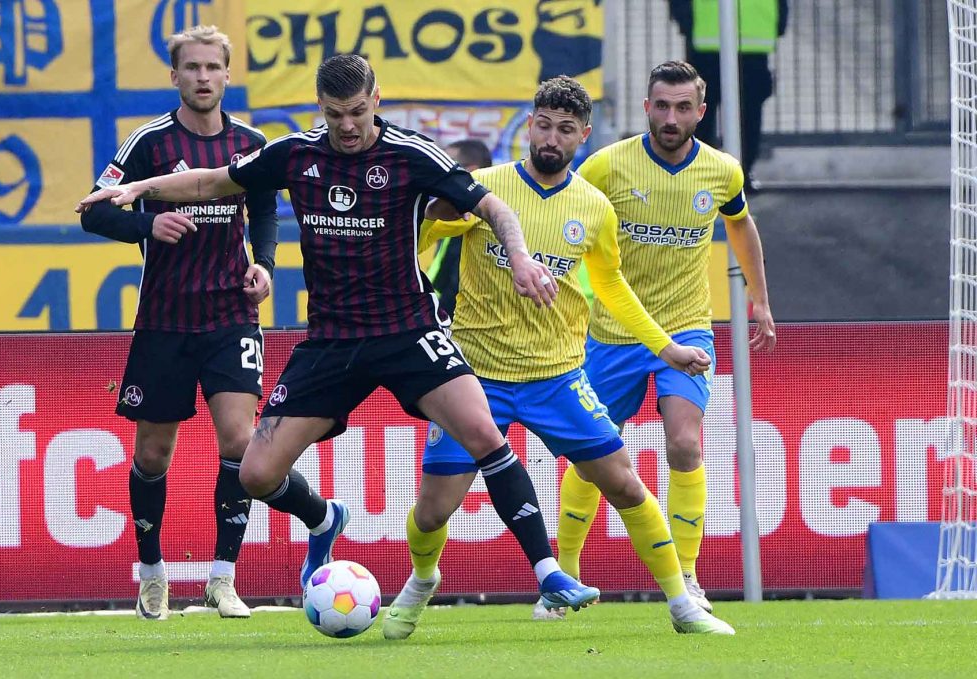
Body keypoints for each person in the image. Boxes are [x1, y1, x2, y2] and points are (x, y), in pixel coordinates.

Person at [78, 53, 600, 620]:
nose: (347, 126)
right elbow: (211, 180)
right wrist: (140, 190)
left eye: (356, 112)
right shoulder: (297, 153)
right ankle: (325, 520)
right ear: (320, 109)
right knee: (254, 474)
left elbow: (492, 205)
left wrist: (521, 258)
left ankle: (549, 573)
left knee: (483, 432)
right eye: (334, 114)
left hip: (408, 331)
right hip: (331, 343)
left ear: (375, 100)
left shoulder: (410, 154)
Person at [384, 75, 735, 638]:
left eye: (566, 129)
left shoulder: (594, 207)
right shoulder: (483, 188)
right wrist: (416, 290)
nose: (552, 137)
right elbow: (417, 242)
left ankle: (682, 602)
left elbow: (613, 286)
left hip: (557, 376)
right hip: (476, 378)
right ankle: (422, 579)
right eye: (544, 124)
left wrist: (664, 346)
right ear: (530, 125)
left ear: (583, 136)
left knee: (624, 483)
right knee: (432, 511)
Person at [544, 60, 776, 619]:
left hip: (688, 325)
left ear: (701, 111)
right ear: (647, 108)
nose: (671, 118)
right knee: (590, 459)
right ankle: (565, 576)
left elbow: (740, 223)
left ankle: (688, 578)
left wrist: (760, 299)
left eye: (682, 107)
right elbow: (557, 206)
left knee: (684, 444)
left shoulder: (722, 172)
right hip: (613, 333)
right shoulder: (605, 167)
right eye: (661, 106)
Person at [79, 26, 279, 620]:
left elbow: (263, 206)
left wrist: (264, 265)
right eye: (191, 68)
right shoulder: (147, 143)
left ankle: (223, 577)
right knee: (153, 455)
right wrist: (147, 226)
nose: (202, 77)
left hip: (231, 316)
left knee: (241, 443)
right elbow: (93, 212)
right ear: (175, 76)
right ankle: (151, 573)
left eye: (212, 67)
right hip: (165, 321)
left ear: (226, 74)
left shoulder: (250, 143)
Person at [669, 0, 789, 189]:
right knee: (707, 114)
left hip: (735, 38)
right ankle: (705, 173)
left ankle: (736, 173)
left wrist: (685, 20)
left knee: (740, 112)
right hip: (724, 38)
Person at [426, 139, 493, 317]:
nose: (437, 173)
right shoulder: (447, 210)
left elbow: (454, 285)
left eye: (446, 166)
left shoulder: (469, 218)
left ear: (469, 172)